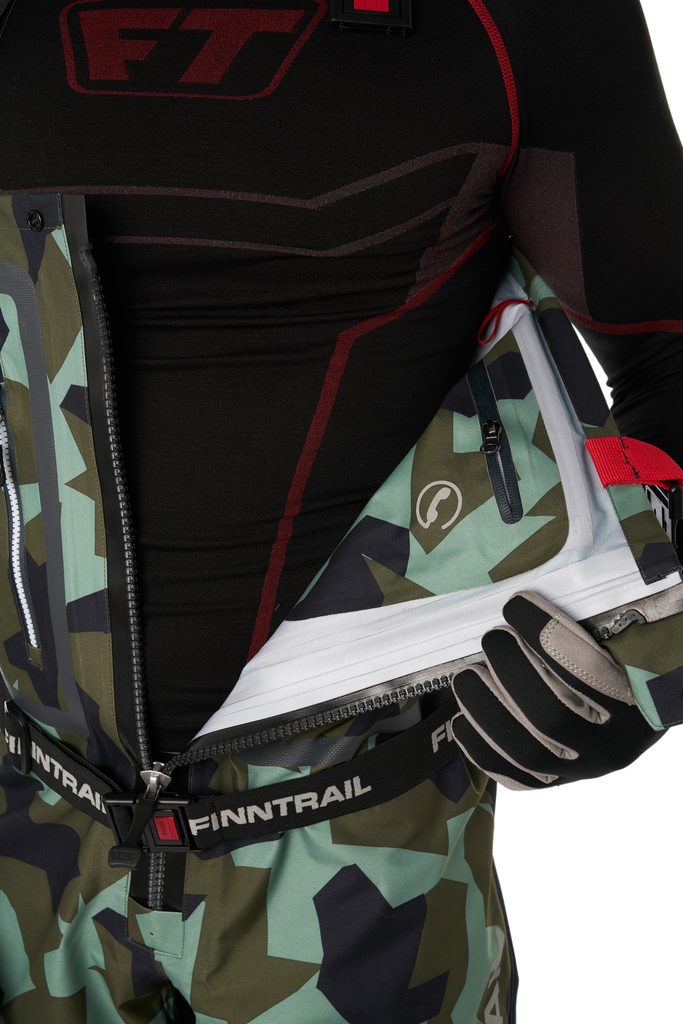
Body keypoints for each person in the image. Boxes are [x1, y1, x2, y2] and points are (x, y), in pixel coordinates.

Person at [0, 0, 681, 1020]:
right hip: (25, 830)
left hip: (357, 855)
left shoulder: (518, 18)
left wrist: (650, 667)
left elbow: (667, 351)